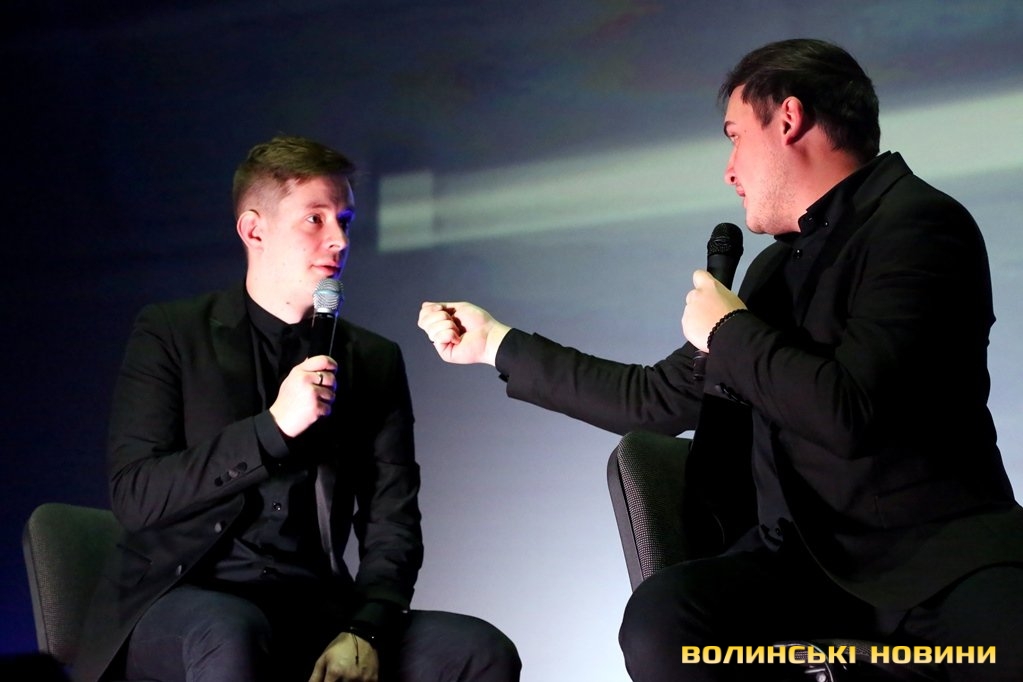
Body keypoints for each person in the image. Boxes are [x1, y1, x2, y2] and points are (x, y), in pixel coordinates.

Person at [417, 39, 1023, 682]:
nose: (730, 170)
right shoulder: (772, 270)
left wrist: (730, 330)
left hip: (935, 562)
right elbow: (656, 398)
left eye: (735, 138)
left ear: (788, 119)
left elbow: (853, 412)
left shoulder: (921, 225)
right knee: (665, 621)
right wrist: (494, 342)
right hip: (803, 569)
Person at [75, 135, 521, 682]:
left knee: (478, 650)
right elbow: (136, 497)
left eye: (345, 221)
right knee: (230, 632)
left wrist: (364, 630)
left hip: (313, 607)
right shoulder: (172, 333)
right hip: (183, 601)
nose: (339, 240)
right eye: (315, 219)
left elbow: (392, 520)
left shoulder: (372, 359)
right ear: (254, 230)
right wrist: (271, 428)